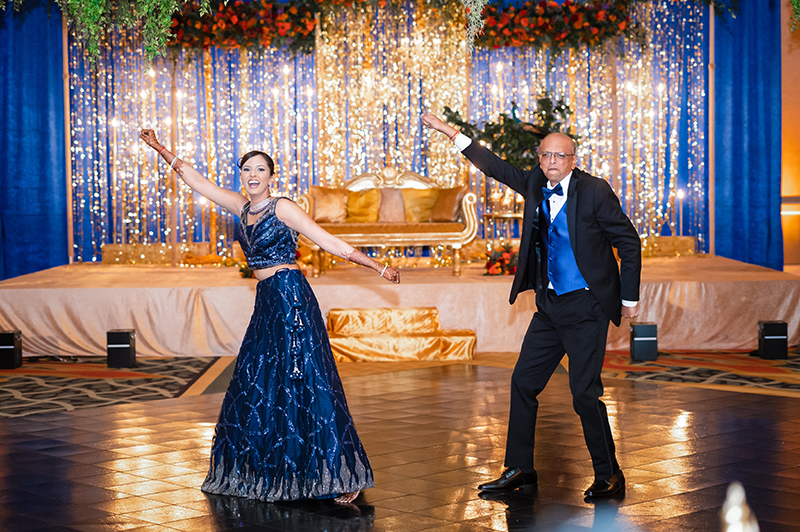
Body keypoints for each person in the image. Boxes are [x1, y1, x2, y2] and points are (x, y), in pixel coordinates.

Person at [139, 129, 400, 505]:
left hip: (292, 299)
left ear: (271, 177)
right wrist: (161, 148)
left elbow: (328, 241)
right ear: (242, 177)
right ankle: (275, 468)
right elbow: (197, 182)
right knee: (258, 381)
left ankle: (345, 473)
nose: (253, 175)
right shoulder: (242, 207)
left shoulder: (283, 207)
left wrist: (378, 266)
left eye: (260, 169)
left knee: (308, 381)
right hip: (267, 301)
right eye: (247, 170)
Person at [421, 113, 641, 498]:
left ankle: (610, 474)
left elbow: (629, 243)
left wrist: (628, 299)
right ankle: (520, 468)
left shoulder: (594, 191)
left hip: (587, 306)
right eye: (546, 155)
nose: (553, 162)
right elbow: (495, 167)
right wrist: (451, 133)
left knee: (584, 393)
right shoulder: (536, 183)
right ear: (539, 159)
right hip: (550, 306)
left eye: (561, 155)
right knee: (523, 383)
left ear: (573, 159)